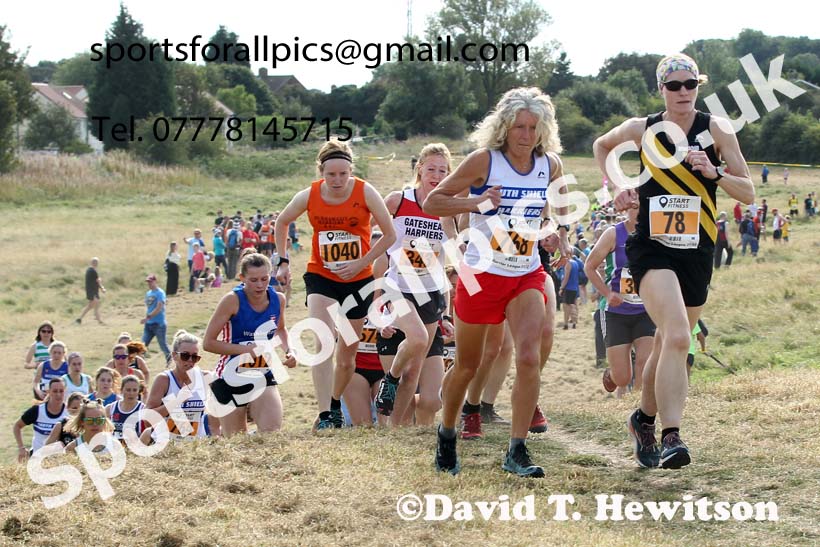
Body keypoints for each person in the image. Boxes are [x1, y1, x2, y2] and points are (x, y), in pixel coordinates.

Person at [593, 53, 754, 469]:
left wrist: (715, 172)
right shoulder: (642, 129)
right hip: (652, 247)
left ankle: (643, 419)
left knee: (667, 342)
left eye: (691, 84)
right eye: (674, 85)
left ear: (698, 87)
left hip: (697, 249)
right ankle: (672, 437)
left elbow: (748, 192)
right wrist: (618, 186)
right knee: (680, 337)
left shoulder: (716, 129)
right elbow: (601, 145)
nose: (684, 92)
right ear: (661, 89)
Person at [424, 87, 572, 477]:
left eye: (533, 127)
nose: (525, 135)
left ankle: (516, 449)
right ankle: (447, 431)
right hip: (480, 275)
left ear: (543, 129)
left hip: (525, 272)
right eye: (519, 127)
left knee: (528, 356)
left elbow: (554, 210)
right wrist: (475, 203)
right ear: (504, 128)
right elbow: (433, 203)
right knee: (469, 365)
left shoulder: (549, 165)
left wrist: (555, 233)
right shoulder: (483, 162)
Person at [273, 139, 396, 430]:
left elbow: (389, 235)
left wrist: (360, 261)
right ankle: (327, 414)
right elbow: (282, 222)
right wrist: (283, 260)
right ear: (321, 173)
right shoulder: (309, 195)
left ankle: (336, 402)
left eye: (343, 173)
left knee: (346, 357)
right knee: (322, 341)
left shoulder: (366, 192)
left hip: (358, 279)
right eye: (331, 174)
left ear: (351, 170)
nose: (338, 180)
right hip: (321, 276)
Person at [373, 143, 456, 423]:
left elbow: (453, 250)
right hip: (397, 287)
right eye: (431, 168)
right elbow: (376, 240)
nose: (436, 174)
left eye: (442, 170)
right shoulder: (397, 201)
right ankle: (390, 378)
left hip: (430, 292)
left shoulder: (447, 209)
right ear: (419, 168)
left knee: (415, 371)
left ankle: (396, 431)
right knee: (418, 338)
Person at [204, 255, 297, 436]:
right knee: (237, 441)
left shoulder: (278, 299)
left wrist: (289, 350)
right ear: (242, 278)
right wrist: (246, 350)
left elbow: (281, 329)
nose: (260, 285)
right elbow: (208, 343)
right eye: (253, 280)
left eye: (264, 279)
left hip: (261, 372)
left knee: (272, 433)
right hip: (230, 374)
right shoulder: (232, 300)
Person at [584, 205, 656, 397]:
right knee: (622, 378)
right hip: (616, 312)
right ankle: (613, 373)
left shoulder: (655, 234)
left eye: (642, 207)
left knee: (645, 361)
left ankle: (640, 409)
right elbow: (589, 267)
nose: (639, 212)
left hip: (645, 310)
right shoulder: (613, 234)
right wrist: (607, 293)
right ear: (625, 210)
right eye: (634, 207)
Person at [13, 378, 68, 461]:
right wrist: (21, 447)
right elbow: (17, 426)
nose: (58, 394)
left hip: (60, 461)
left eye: (61, 391)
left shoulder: (69, 412)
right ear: (48, 392)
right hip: (37, 460)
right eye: (55, 391)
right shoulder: (37, 410)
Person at [142, 274, 171, 364]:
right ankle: (138, 363)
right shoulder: (148, 293)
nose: (149, 284)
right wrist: (147, 317)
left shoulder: (160, 293)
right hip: (149, 324)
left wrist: (149, 316)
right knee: (142, 345)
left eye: (151, 282)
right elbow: (148, 307)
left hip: (159, 324)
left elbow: (159, 307)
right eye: (148, 282)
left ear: (155, 281)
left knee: (163, 345)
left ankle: (170, 360)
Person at [107, 375, 145, 442]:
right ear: (121, 390)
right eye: (128, 390)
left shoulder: (143, 409)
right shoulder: (110, 408)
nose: (131, 393)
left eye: (135, 390)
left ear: (139, 391)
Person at [76, 257, 106, 324]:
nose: (96, 264)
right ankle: (98, 320)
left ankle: (81, 319)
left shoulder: (89, 270)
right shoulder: (92, 271)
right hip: (92, 291)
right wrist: (102, 288)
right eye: (96, 262)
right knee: (94, 305)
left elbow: (95, 281)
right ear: (94, 263)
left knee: (93, 306)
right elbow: (98, 281)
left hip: (92, 291)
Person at [559, 255, 582, 329]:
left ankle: (566, 324)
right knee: (573, 305)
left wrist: (561, 288)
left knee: (566, 306)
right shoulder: (575, 262)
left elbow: (566, 277)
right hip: (575, 287)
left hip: (568, 287)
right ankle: (574, 322)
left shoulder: (568, 264)